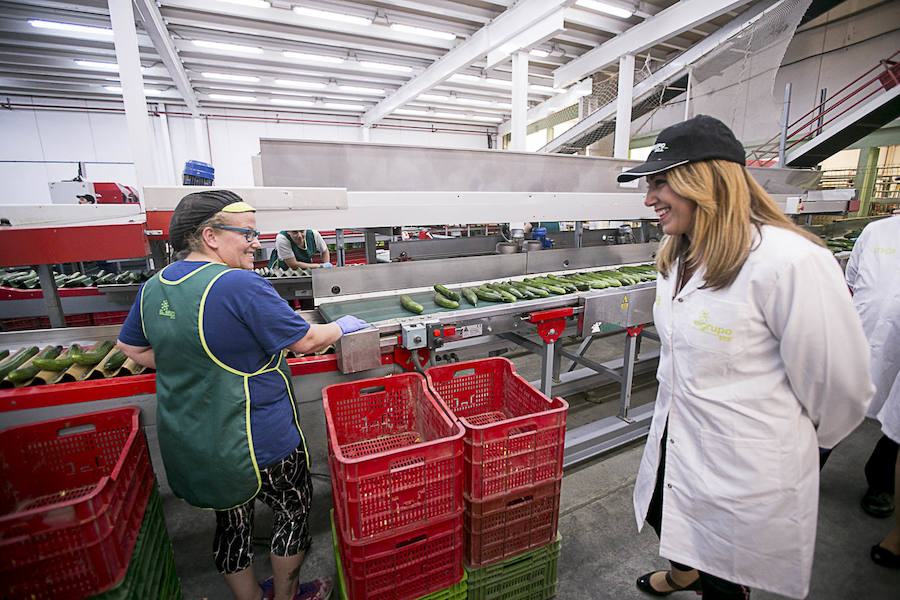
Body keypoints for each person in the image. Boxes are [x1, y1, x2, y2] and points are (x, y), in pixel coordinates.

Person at [617, 115, 874, 599]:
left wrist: (786, 446)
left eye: (660, 182)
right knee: (659, 510)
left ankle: (708, 580)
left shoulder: (790, 261)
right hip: (678, 430)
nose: (649, 198)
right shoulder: (676, 256)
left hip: (742, 461)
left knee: (725, 571)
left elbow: (842, 389)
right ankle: (682, 572)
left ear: (707, 181)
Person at [116, 190, 367, 600]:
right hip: (258, 440)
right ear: (211, 236)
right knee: (292, 512)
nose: (256, 243)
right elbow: (304, 341)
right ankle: (287, 595)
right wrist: (341, 327)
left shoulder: (154, 286)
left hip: (198, 440)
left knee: (232, 524)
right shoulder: (236, 282)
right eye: (247, 234)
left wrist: (196, 360)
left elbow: (131, 347)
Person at [845, 211, 900, 565]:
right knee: (828, 411)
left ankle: (881, 482)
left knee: (895, 429)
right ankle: (798, 477)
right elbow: (851, 280)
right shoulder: (877, 230)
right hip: (859, 338)